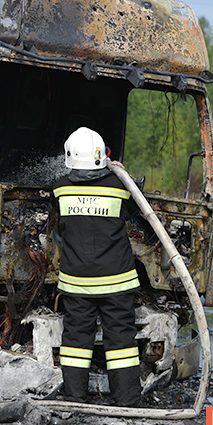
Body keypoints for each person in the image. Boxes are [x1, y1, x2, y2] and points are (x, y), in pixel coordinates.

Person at [51, 127, 142, 407]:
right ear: (102, 156)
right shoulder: (121, 188)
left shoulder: (59, 188)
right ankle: (127, 400)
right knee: (121, 342)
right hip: (118, 281)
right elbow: (136, 210)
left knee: (77, 341)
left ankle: (74, 397)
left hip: (77, 282)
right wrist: (121, 174)